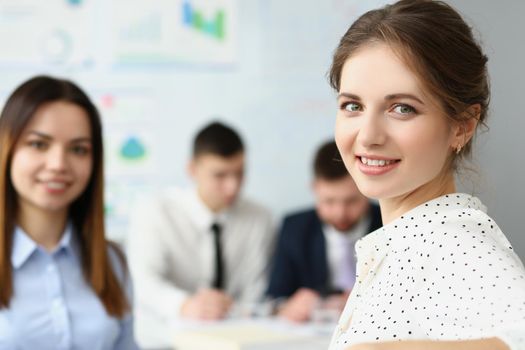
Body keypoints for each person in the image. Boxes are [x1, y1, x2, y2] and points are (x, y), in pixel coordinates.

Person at [327, 1, 525, 349]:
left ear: (462, 126)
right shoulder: (405, 240)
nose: (369, 135)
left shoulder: (451, 241)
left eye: (402, 108)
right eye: (353, 106)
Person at [0, 76, 138, 349]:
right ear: (8, 148)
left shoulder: (112, 262)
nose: (58, 164)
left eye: (78, 149)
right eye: (39, 144)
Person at [127, 121, 275, 345]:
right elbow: (143, 281)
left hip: (235, 339)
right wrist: (185, 305)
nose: (232, 187)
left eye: (239, 173)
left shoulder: (259, 218)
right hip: (165, 340)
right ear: (192, 170)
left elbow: (255, 289)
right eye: (220, 175)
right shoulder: (155, 211)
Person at [267, 140, 381, 322]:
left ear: (367, 188)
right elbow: (274, 297)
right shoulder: (294, 228)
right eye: (329, 201)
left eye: (351, 201)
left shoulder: (390, 225)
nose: (340, 213)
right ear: (315, 189)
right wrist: (286, 307)